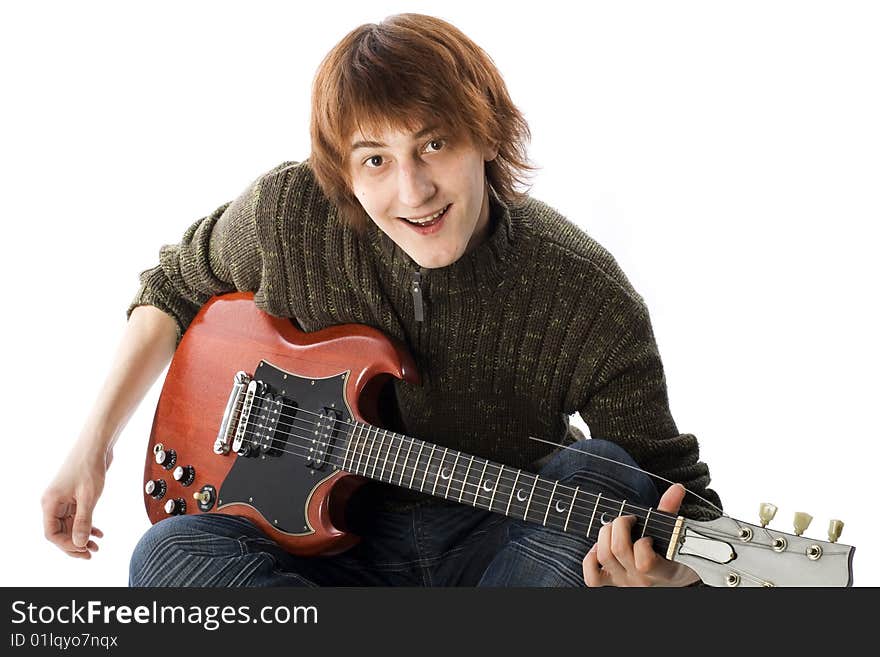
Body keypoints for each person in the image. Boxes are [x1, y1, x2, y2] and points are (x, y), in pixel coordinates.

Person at [42, 13, 721, 587]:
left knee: (606, 477)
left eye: (434, 143)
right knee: (169, 556)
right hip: (328, 558)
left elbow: (669, 489)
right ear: (341, 167)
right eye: (375, 159)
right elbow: (175, 285)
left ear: (486, 134)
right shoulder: (291, 215)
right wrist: (93, 445)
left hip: (504, 547)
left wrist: (675, 576)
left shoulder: (578, 286)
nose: (413, 190)